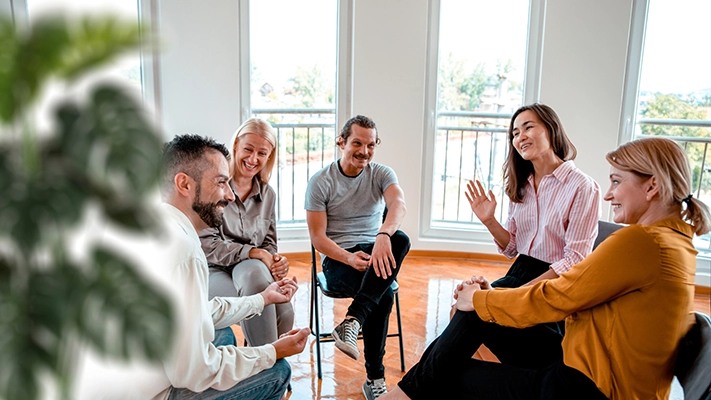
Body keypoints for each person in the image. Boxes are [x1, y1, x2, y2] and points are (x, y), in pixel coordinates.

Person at [382, 137, 710, 400]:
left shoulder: (642, 242)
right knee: (471, 320)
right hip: (586, 361)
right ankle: (401, 395)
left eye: (616, 181)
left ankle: (399, 396)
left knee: (447, 375)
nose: (609, 194)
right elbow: (561, 286)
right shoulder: (675, 242)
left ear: (651, 186)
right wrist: (486, 299)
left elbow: (561, 295)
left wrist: (482, 300)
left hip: (590, 387)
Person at [154, 134, 309, 400]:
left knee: (222, 332)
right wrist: (271, 352)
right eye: (221, 183)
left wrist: (262, 299)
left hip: (149, 360)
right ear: (184, 184)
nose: (229, 195)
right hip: (157, 391)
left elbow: (198, 311)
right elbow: (192, 372)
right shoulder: (185, 252)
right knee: (278, 370)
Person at [305, 115, 410, 399]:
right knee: (384, 295)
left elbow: (398, 204)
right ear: (341, 142)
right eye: (357, 143)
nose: (364, 151)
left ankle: (352, 321)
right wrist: (349, 259)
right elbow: (318, 239)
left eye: (371, 144)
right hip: (339, 258)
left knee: (401, 238)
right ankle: (374, 378)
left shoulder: (382, 173)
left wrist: (383, 236)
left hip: (376, 249)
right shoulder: (320, 182)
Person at [466, 103, 600, 290]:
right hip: (519, 272)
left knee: (476, 309)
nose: (521, 137)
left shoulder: (582, 186)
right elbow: (512, 249)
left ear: (551, 129)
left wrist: (517, 295)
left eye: (528, 127)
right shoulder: (521, 186)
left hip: (556, 283)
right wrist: (489, 221)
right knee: (463, 306)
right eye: (515, 133)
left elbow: (575, 260)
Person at [199, 118, 294, 347]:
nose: (253, 159)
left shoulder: (268, 194)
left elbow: (269, 243)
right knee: (256, 281)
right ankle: (265, 367)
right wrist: (256, 253)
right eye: (248, 149)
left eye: (262, 153)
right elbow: (208, 246)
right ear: (235, 147)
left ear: (269, 157)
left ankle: (266, 367)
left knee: (286, 313)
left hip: (253, 270)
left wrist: (275, 261)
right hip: (214, 270)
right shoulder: (214, 186)